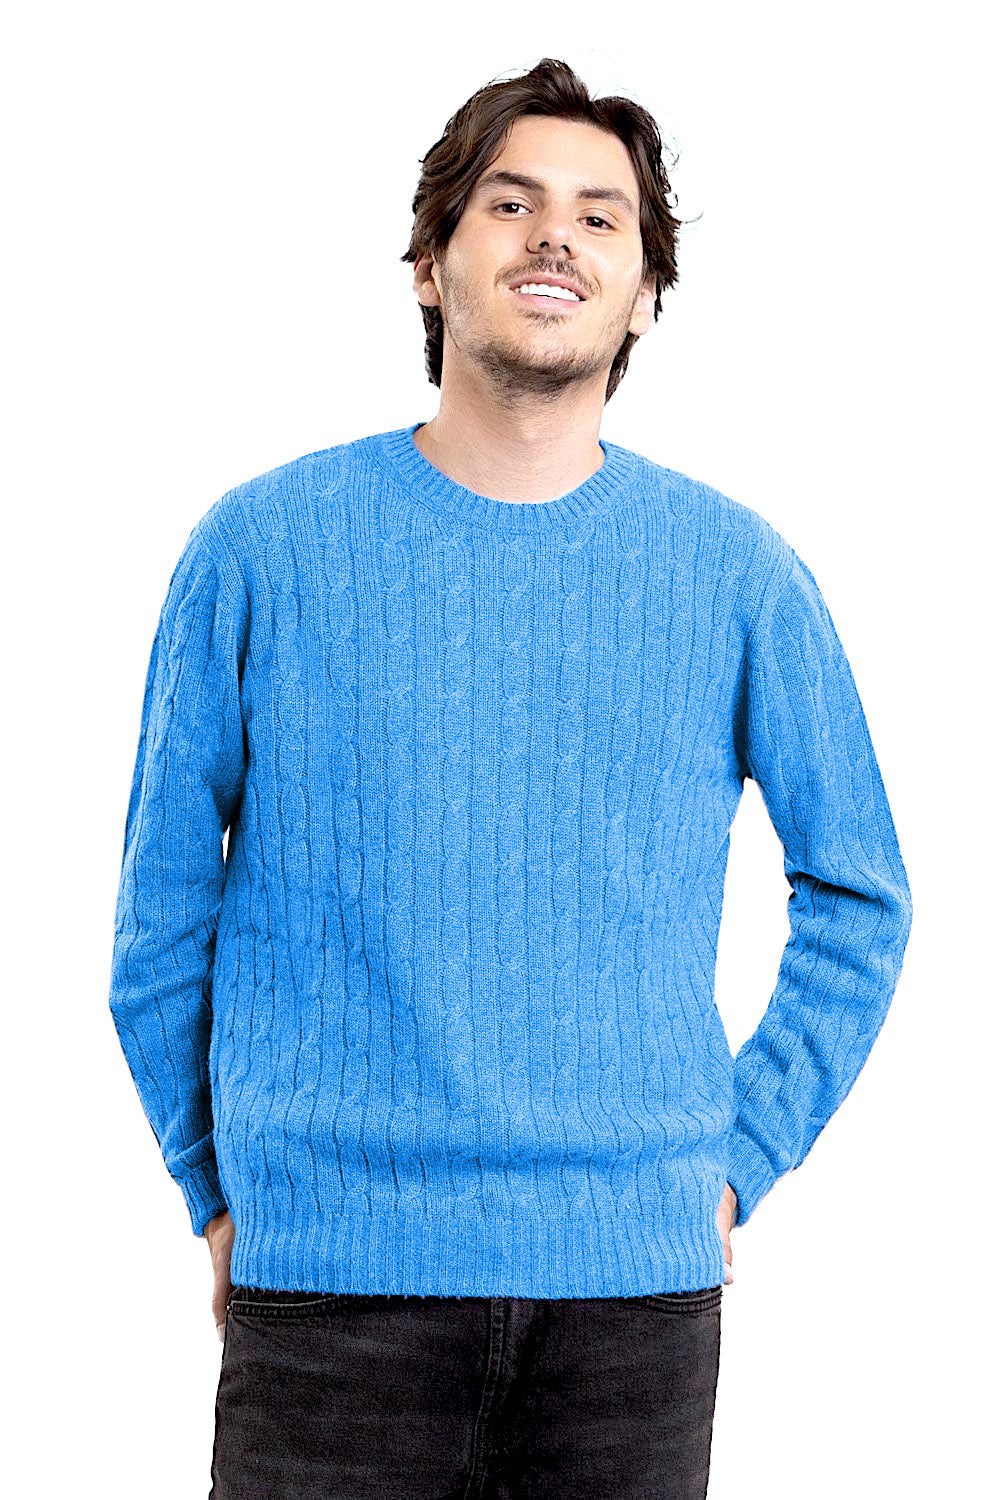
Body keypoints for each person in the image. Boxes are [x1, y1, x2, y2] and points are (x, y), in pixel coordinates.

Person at [107, 56, 913, 1500]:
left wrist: (738, 1155)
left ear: (645, 294)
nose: (556, 237)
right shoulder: (262, 548)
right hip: (329, 1296)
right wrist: (215, 1187)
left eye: (602, 218)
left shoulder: (737, 574)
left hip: (630, 1311)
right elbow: (158, 913)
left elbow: (861, 894)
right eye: (511, 203)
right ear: (430, 264)